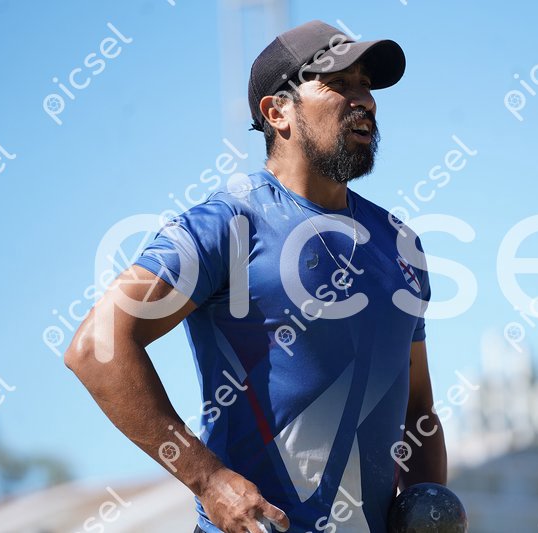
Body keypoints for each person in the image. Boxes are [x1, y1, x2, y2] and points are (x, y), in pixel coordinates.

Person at [64, 19, 447, 533]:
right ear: (277, 111)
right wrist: (207, 479)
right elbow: (96, 348)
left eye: (366, 85)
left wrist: (430, 506)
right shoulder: (226, 223)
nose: (364, 101)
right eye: (339, 83)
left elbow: (418, 409)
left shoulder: (401, 245)